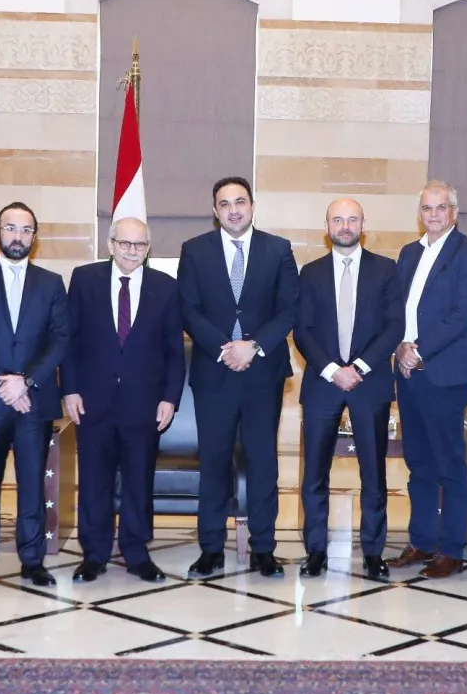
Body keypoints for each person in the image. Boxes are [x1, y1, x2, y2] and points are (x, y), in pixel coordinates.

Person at [178, 177, 299, 579]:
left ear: (252, 205)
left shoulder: (278, 250)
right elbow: (189, 310)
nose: (233, 209)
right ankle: (210, 548)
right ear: (215, 210)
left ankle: (264, 548)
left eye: (240, 202)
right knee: (213, 462)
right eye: (225, 203)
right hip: (214, 374)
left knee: (263, 461)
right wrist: (225, 348)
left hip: (263, 373)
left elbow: (288, 309)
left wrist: (253, 346)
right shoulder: (194, 251)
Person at [63, 217, 184, 583]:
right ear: (111, 244)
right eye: (125, 244)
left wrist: (170, 398)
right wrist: (69, 389)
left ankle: (136, 552)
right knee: (95, 480)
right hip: (92, 400)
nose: (132, 252)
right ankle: (94, 554)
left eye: (140, 246)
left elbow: (174, 351)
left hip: (143, 404)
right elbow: (70, 341)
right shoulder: (84, 280)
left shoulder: (166, 287)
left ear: (148, 249)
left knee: (138, 480)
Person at [0, 202, 70, 589]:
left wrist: (27, 381)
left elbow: (60, 339)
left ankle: (32, 560)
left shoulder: (52, 282)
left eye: (26, 230)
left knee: (32, 485)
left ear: (34, 238)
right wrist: (3, 383)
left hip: (34, 401)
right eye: (10, 228)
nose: (18, 236)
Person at [293, 198, 402, 581]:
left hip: (368, 383)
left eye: (351, 219)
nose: (344, 225)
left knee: (374, 473)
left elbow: (393, 327)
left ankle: (373, 552)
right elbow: (301, 330)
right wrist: (330, 370)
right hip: (323, 385)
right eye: (337, 219)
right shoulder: (310, 272)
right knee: (314, 475)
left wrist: (357, 367)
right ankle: (316, 551)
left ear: (363, 224)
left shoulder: (386, 270)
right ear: (327, 225)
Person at [389, 181, 467, 579]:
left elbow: (464, 314)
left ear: (454, 212)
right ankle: (422, 541)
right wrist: (399, 347)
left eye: (441, 207)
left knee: (449, 463)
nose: (433, 214)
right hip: (408, 373)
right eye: (427, 208)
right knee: (418, 462)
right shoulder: (409, 252)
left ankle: (450, 550)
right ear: (420, 212)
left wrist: (419, 349)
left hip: (443, 373)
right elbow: (396, 308)